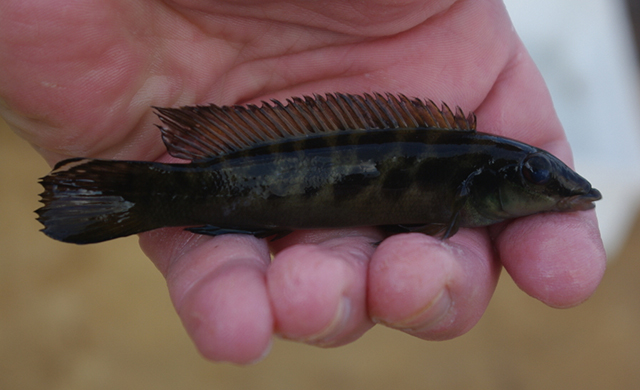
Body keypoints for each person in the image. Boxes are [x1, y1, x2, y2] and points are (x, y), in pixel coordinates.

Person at [0, 0, 605, 364]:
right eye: (539, 181)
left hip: (244, 177)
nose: (563, 194)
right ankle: (140, 196)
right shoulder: (467, 174)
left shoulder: (475, 160)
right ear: (490, 182)